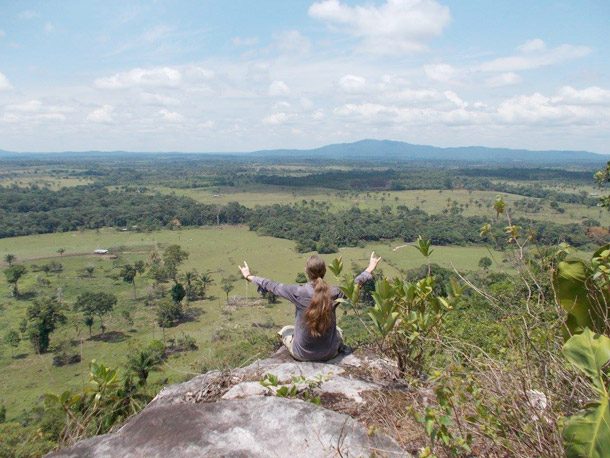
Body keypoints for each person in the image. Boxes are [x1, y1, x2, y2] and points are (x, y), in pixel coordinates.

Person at [238, 252, 381, 362]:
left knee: (285, 330)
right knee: (338, 330)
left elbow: (271, 285)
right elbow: (356, 284)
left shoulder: (298, 292)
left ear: (307, 271)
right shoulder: (335, 292)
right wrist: (370, 268)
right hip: (330, 353)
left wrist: (249, 276)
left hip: (302, 354)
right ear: (325, 271)